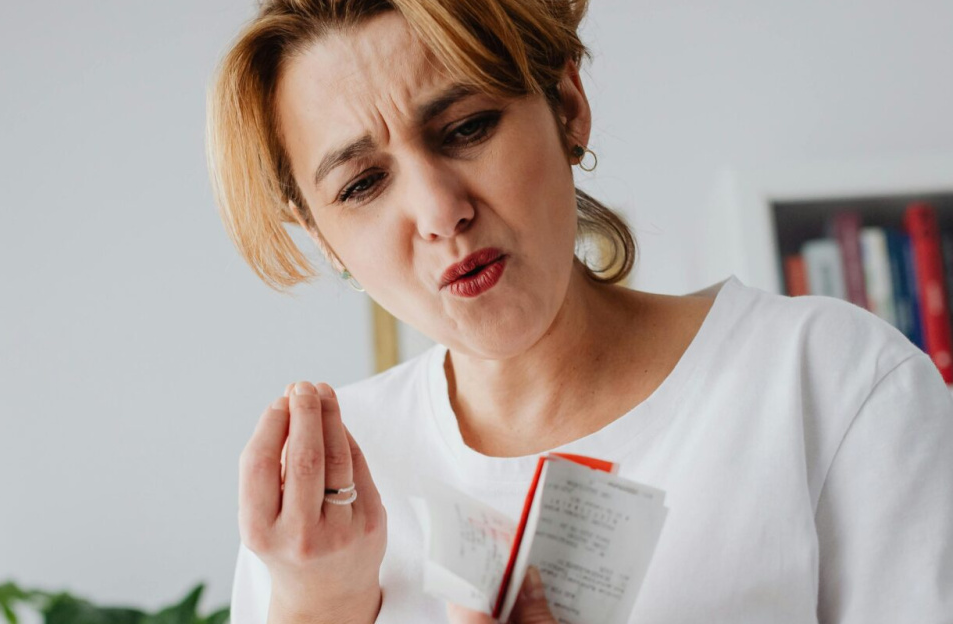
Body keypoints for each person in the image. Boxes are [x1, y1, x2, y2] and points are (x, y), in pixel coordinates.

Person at [203, 0, 953, 622]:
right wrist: (319, 606)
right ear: (324, 238)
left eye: (466, 128)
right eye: (363, 184)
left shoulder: (829, 381)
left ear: (566, 107)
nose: (439, 211)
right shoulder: (319, 501)